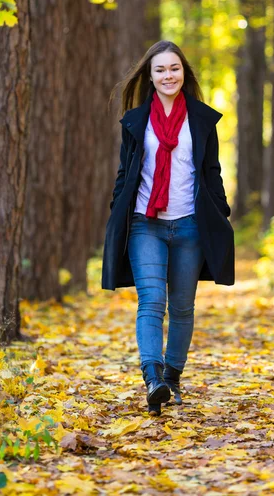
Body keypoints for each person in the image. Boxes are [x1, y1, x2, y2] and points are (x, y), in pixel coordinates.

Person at [102, 40, 234, 416]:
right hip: (146, 224)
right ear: (150, 76)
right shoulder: (135, 121)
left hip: (190, 225)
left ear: (184, 73)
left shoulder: (203, 120)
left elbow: (211, 172)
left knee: (181, 306)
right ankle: (153, 378)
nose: (167, 75)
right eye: (160, 70)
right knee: (152, 301)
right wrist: (118, 210)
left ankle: (172, 378)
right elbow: (126, 172)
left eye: (174, 68)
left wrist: (219, 212)